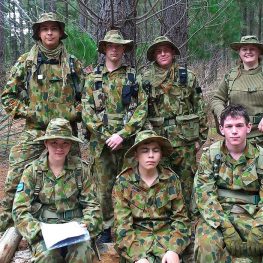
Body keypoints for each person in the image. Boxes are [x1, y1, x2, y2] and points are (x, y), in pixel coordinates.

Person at [0, 12, 84, 231]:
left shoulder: (73, 63)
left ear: (60, 33)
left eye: (53, 28)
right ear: (38, 32)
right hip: (35, 131)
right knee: (15, 176)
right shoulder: (26, 62)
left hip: (66, 134)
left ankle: (80, 226)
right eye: (45, 28)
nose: (49, 32)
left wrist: (73, 113)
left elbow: (88, 98)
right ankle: (7, 228)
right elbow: (7, 97)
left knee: (78, 177)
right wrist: (31, 112)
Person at [193, 104, 263, 262]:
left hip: (253, 214)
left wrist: (260, 226)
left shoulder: (262, 157)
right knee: (206, 247)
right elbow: (204, 195)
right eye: (229, 126)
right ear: (221, 129)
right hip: (220, 214)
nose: (234, 131)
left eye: (239, 125)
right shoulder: (211, 156)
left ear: (248, 127)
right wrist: (225, 226)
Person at [82, 29, 147, 242]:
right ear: (104, 49)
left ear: (123, 49)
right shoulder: (92, 78)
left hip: (126, 143)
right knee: (102, 188)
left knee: (130, 184)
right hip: (101, 144)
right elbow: (87, 112)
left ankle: (129, 225)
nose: (114, 49)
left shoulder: (133, 77)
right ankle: (106, 228)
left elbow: (142, 109)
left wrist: (122, 134)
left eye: (118, 46)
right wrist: (107, 136)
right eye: (110, 46)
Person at [12, 118, 102, 262]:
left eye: (64, 143)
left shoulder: (81, 169)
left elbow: (93, 204)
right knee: (48, 256)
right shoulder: (33, 171)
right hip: (44, 229)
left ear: (70, 144)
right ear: (46, 143)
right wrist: (38, 230)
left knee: (82, 253)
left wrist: (88, 223)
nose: (59, 148)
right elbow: (19, 210)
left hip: (76, 228)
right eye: (54, 142)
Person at [142, 36, 208, 213]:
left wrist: (199, 139)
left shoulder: (187, 77)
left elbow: (200, 108)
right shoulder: (145, 80)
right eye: (158, 51)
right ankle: (162, 218)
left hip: (185, 141)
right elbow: (140, 111)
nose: (163, 53)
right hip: (158, 142)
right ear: (154, 55)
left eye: (166, 50)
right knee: (159, 180)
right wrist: (146, 141)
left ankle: (185, 219)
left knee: (186, 182)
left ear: (172, 53)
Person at [211, 35, 263, 162]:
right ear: (239, 52)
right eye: (244, 49)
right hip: (236, 136)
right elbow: (216, 99)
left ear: (259, 52)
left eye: (252, 48)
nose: (248, 52)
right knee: (234, 175)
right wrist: (222, 114)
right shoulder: (230, 76)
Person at [113, 130, 191, 263]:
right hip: (136, 242)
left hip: (167, 239)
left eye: (155, 150)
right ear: (136, 155)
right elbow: (122, 226)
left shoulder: (171, 179)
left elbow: (181, 219)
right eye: (144, 150)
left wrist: (174, 249)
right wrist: (138, 257)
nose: (151, 155)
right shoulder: (123, 182)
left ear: (161, 154)